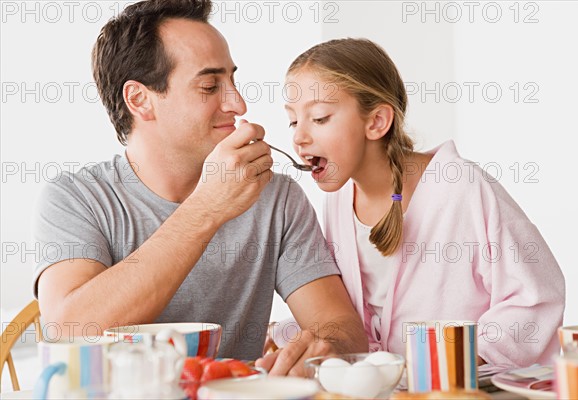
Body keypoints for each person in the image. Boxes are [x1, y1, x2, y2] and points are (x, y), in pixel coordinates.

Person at [32, 0, 367, 375]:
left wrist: (323, 350)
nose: (238, 103)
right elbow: (69, 328)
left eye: (232, 81)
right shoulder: (77, 198)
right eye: (210, 86)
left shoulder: (275, 196)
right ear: (140, 100)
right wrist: (206, 209)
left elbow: (343, 329)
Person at [265, 38, 565, 369]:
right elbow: (364, 320)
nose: (298, 137)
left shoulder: (461, 188)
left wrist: (450, 361)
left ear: (377, 121)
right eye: (293, 120)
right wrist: (288, 335)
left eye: (319, 118)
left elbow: (536, 300)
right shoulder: (337, 200)